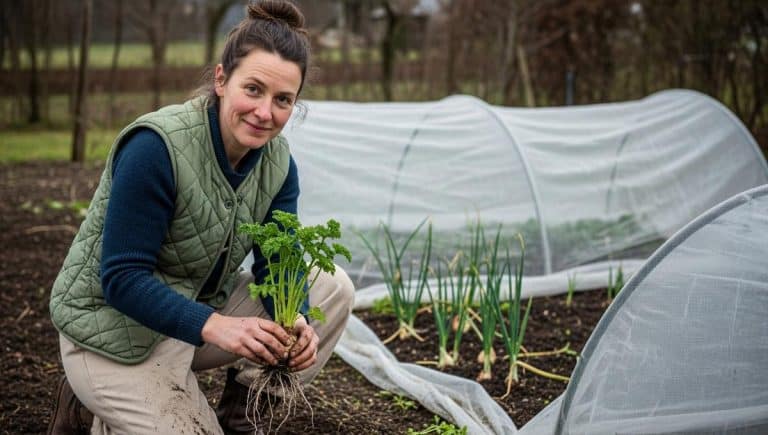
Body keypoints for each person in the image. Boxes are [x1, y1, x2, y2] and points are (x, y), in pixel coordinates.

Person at [47, 1, 355, 434]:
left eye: (283, 99)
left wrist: (298, 318)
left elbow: (277, 258)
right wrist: (217, 326)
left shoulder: (277, 165)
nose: (265, 112)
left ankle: (242, 419)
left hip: (187, 318)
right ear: (221, 79)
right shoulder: (156, 147)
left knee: (331, 287)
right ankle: (90, 401)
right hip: (113, 330)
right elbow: (121, 278)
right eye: (253, 89)